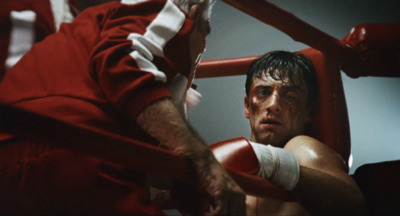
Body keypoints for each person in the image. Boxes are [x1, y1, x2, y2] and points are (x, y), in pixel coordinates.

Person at [0, 0, 246, 215]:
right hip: (70, 149)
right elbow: (126, 61)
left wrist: (194, 194)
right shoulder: (166, 10)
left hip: (21, 156)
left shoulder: (88, 31)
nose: (203, 50)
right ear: (193, 15)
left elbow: (162, 151)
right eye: (205, 34)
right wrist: (206, 164)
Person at [241, 51, 367, 215]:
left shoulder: (299, 148)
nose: (273, 105)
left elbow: (354, 205)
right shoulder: (235, 165)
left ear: (308, 111)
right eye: (263, 92)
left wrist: (271, 163)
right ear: (247, 106)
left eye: (290, 95)